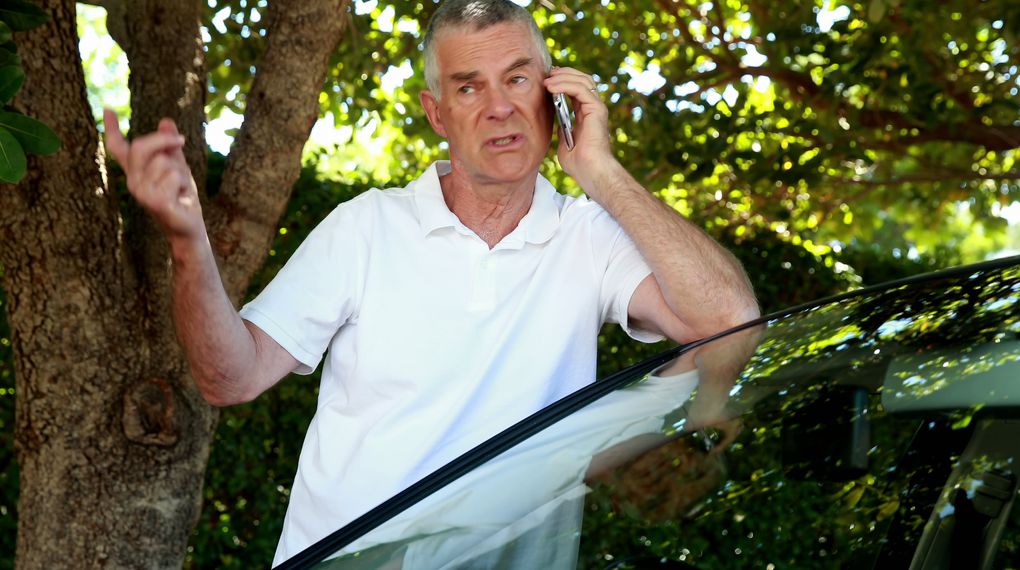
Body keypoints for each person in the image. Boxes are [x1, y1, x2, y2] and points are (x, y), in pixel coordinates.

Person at [103, 0, 759, 564]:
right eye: (469, 87)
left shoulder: (589, 236)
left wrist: (602, 170)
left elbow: (729, 320)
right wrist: (188, 240)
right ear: (437, 112)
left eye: (518, 79)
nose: (500, 107)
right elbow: (231, 377)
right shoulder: (364, 228)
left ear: (553, 94)